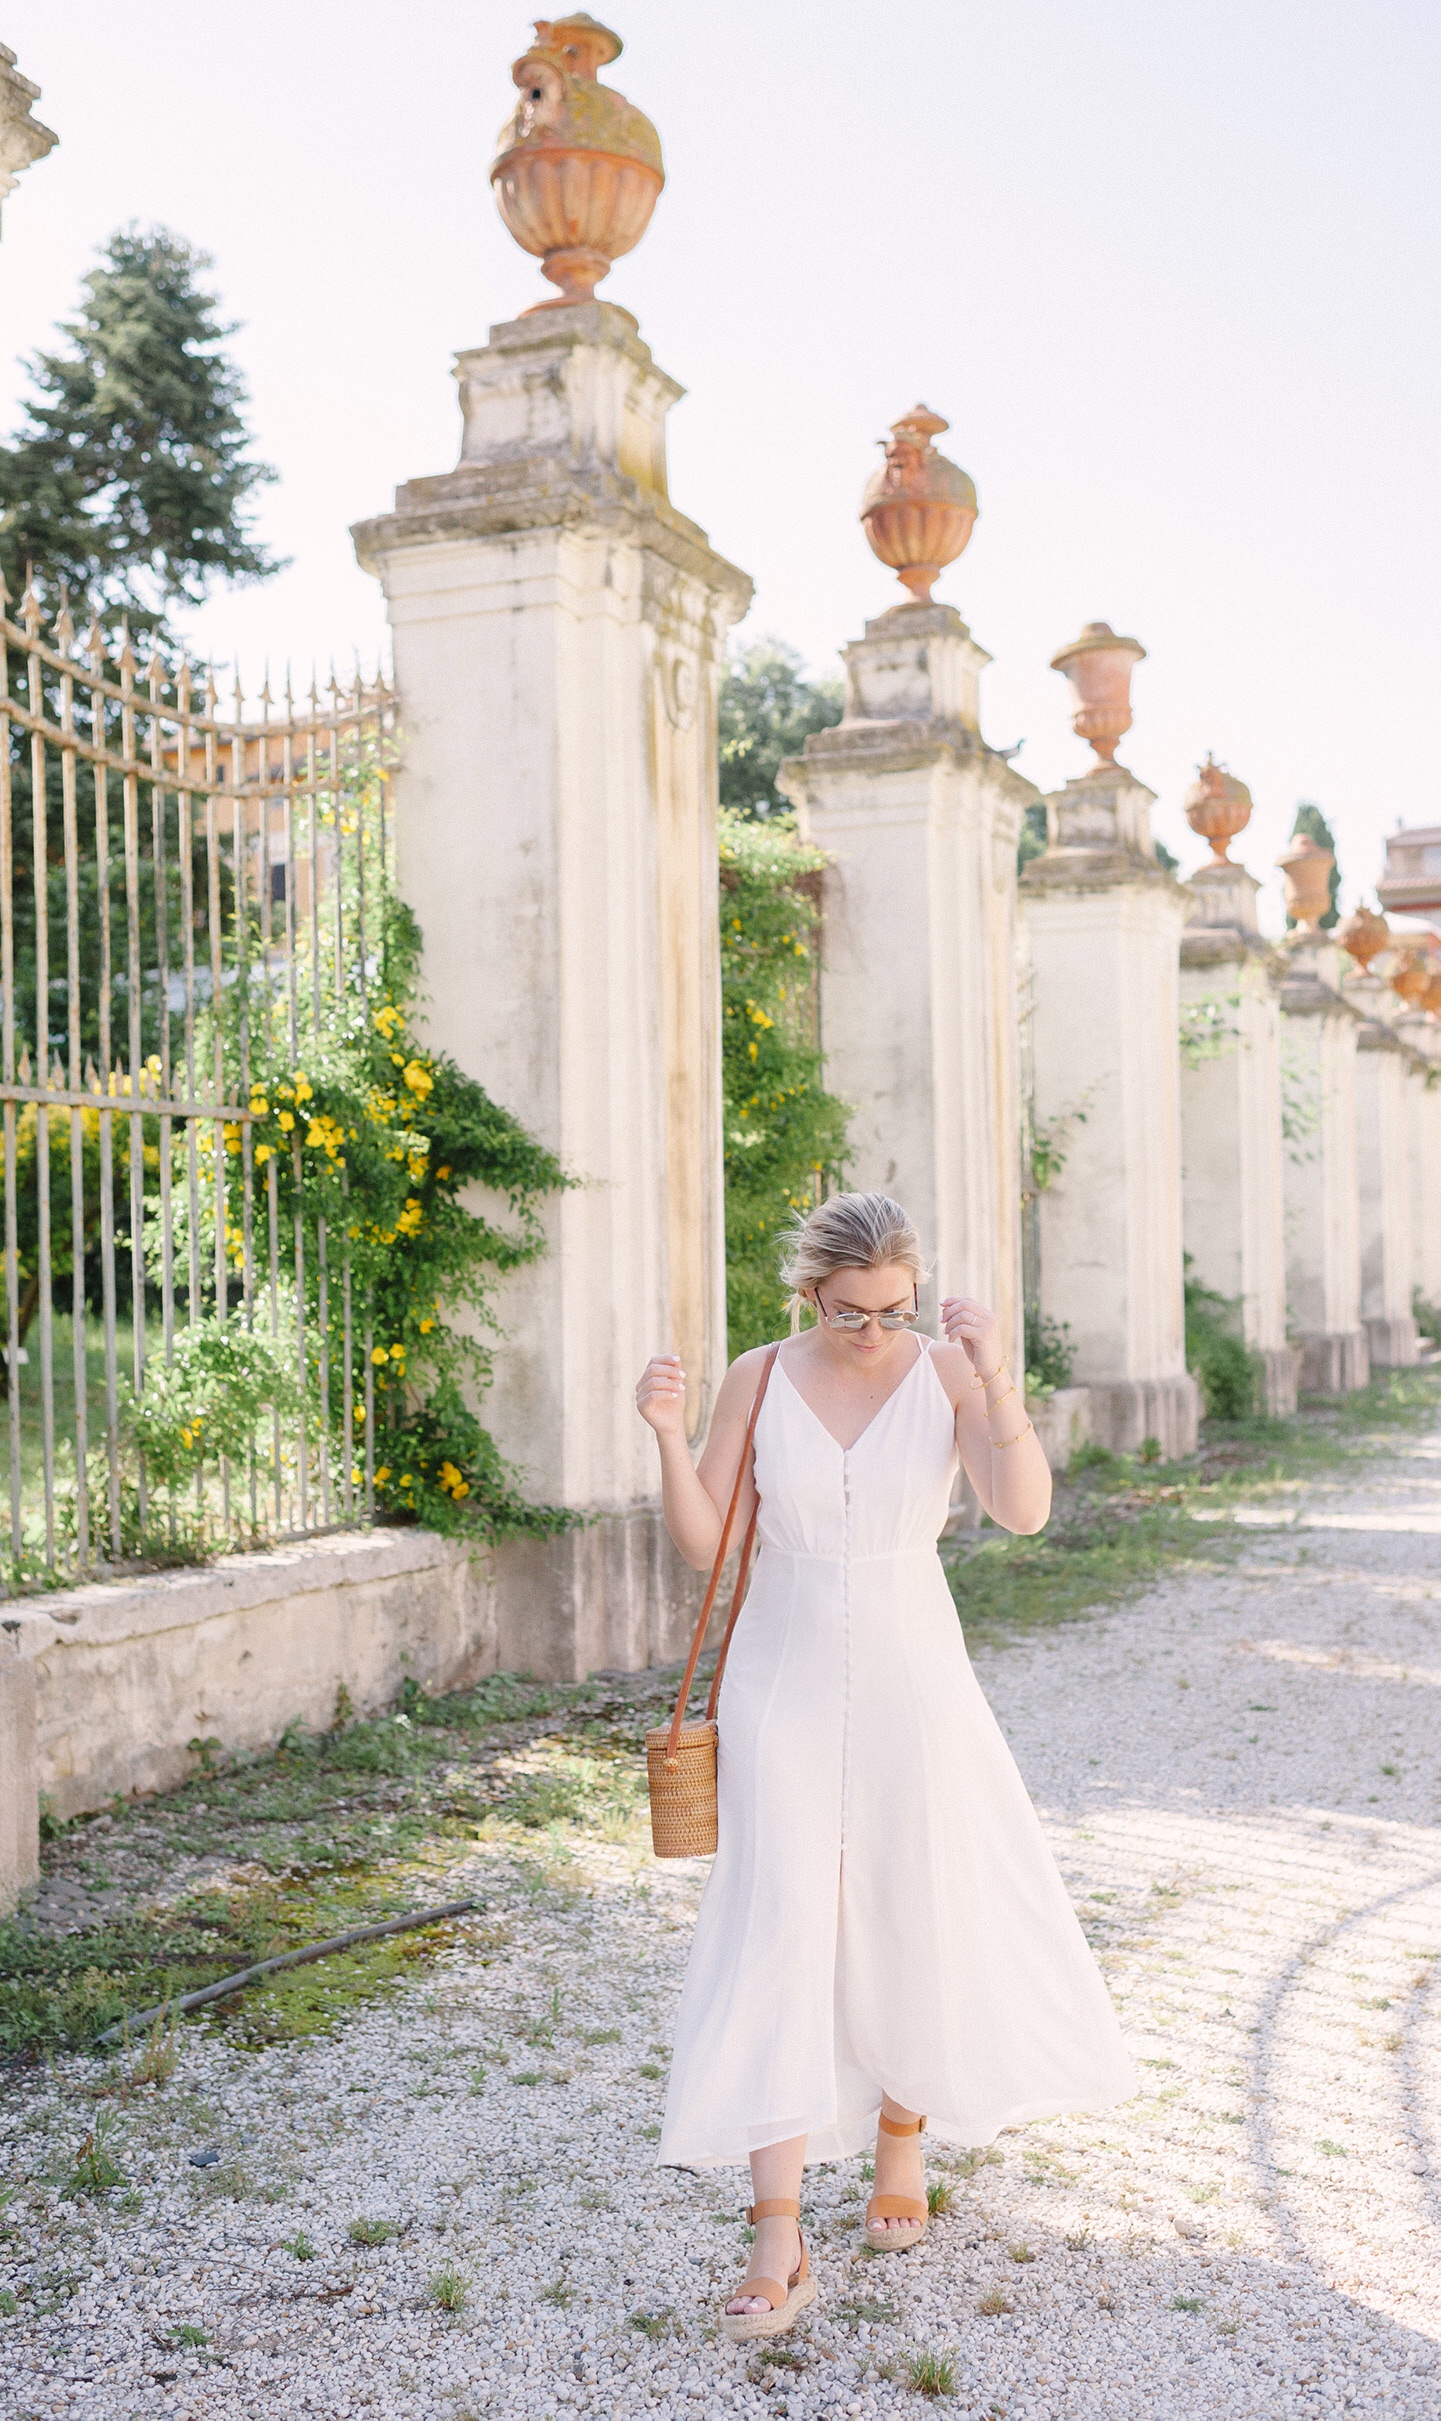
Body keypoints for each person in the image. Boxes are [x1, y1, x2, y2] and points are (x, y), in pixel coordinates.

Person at [634, 1191, 1136, 2342]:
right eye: (853, 1311)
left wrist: (994, 1374)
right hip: (780, 1677)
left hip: (917, 1670)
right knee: (781, 1925)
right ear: (809, 1294)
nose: (876, 1332)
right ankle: (778, 2228)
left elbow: (1020, 1511)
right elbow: (712, 1543)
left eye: (895, 1309)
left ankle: (901, 2144)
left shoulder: (944, 1370)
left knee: (913, 1900)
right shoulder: (758, 1376)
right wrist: (667, 1440)